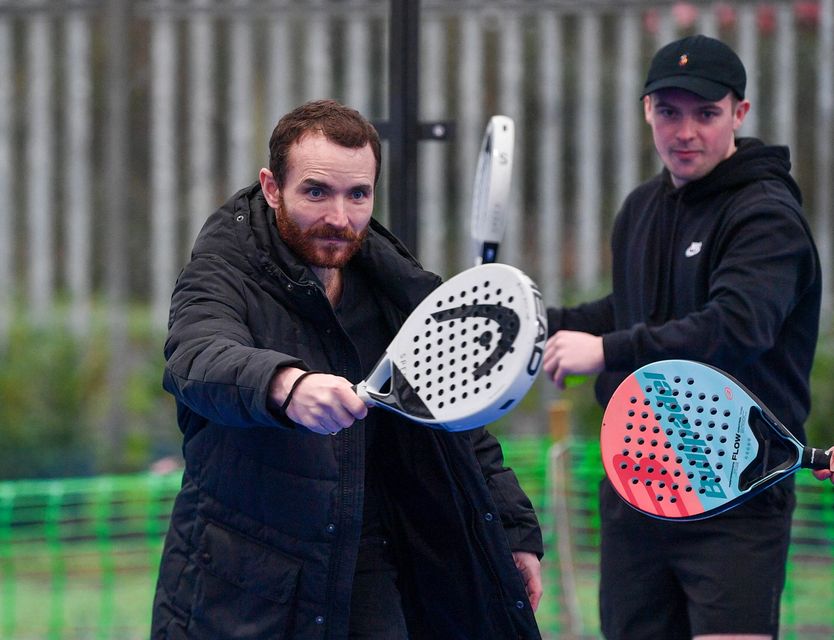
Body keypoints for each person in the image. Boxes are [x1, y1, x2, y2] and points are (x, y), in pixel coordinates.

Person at [150, 99, 543, 640]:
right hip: (241, 586)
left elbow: (455, 417)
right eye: (316, 191)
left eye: (358, 194)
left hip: (372, 577)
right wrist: (286, 385)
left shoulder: (397, 290)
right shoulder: (218, 273)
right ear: (271, 188)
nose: (340, 216)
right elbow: (197, 357)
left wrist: (515, 531)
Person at [543, 35, 822, 640]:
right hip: (636, 486)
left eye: (706, 113)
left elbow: (736, 326)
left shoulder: (766, 215)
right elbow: (634, 309)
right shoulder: (641, 208)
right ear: (647, 111)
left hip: (735, 492)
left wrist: (607, 351)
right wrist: (549, 324)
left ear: (739, 114)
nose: (685, 130)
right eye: (669, 111)